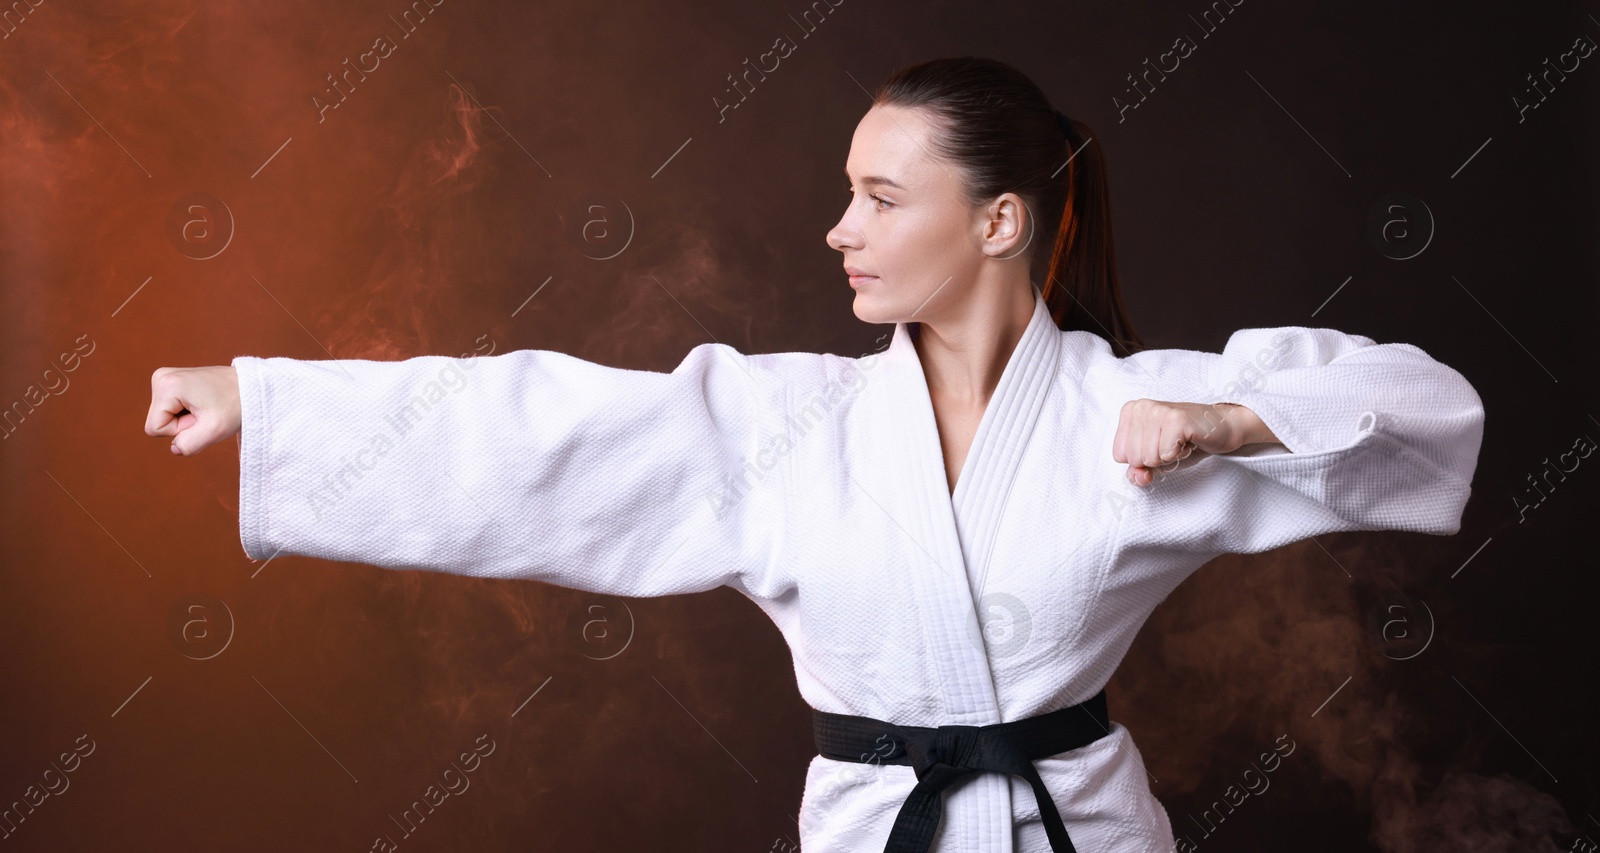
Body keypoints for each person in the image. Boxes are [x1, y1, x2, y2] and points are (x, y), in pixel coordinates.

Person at [144, 57, 1485, 853]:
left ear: (1002, 221)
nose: (839, 228)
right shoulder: (792, 430)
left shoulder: (1132, 413)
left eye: (881, 198)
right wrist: (269, 401)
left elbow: (1422, 403)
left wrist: (1232, 420)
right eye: (850, 193)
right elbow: (537, 427)